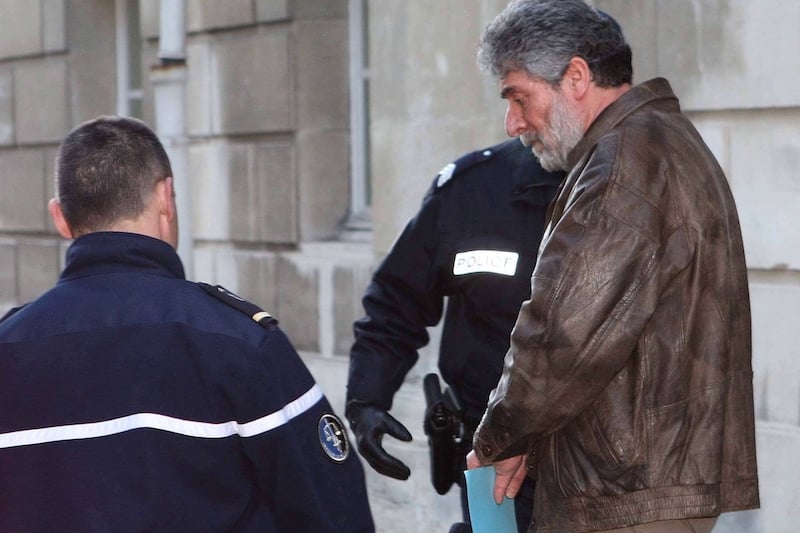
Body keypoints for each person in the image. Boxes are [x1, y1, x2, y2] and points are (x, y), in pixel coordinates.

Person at [465, 1, 760, 532]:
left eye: (519, 97)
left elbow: (561, 335)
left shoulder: (621, 163)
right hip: (651, 485)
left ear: (576, 77)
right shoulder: (659, 141)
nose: (513, 124)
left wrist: (498, 438)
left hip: (624, 493)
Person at [0, 116, 374, 533]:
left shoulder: (8, 349)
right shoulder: (237, 342)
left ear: (60, 217)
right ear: (166, 198)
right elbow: (335, 513)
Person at [346, 137, 564, 532]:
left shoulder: (639, 181)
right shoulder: (473, 189)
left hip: (610, 463)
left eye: (522, 105)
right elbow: (397, 300)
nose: (514, 122)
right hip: (493, 458)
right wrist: (367, 398)